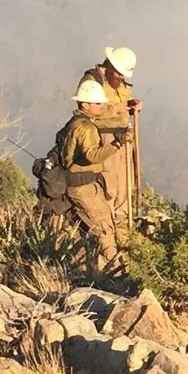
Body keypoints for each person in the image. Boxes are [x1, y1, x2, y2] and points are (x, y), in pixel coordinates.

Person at [40, 78, 134, 270]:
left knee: (87, 231)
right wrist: (118, 143)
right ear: (85, 105)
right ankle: (117, 272)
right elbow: (92, 156)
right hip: (84, 187)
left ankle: (92, 269)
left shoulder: (74, 123)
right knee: (104, 229)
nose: (103, 106)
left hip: (76, 185)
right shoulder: (86, 127)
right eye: (98, 103)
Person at [80, 46, 142, 232]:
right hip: (105, 138)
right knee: (109, 184)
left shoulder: (119, 84)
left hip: (124, 137)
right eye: (120, 73)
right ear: (111, 65)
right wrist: (116, 108)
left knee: (125, 183)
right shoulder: (92, 81)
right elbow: (88, 111)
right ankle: (107, 227)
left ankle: (123, 227)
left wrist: (132, 107)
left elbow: (122, 105)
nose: (121, 78)